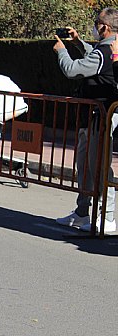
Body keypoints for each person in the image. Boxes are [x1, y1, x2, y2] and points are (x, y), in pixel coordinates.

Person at [54, 8, 117, 233]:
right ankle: (83, 211)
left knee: (98, 166)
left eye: (96, 22)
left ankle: (107, 217)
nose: (94, 26)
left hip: (101, 115)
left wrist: (62, 51)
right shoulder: (107, 47)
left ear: (104, 27)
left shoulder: (108, 50)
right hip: (91, 116)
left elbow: (73, 70)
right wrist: (79, 42)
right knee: (86, 165)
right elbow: (94, 58)